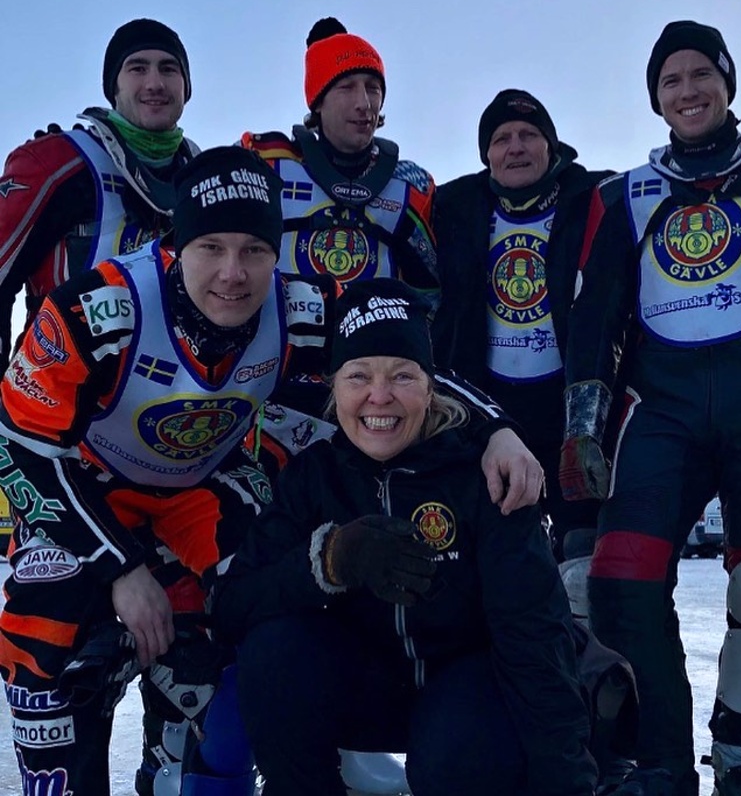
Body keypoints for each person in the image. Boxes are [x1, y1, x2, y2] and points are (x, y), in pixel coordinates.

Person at [0, 145, 333, 796]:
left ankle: (188, 765)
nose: (233, 274)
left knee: (262, 611)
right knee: (45, 634)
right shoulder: (98, 307)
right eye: (211, 247)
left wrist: (493, 432)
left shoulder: (303, 306)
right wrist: (119, 568)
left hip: (202, 489)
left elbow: (405, 355)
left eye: (254, 250)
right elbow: (18, 446)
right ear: (177, 245)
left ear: (277, 254)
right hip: (84, 488)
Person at [212, 277, 598, 796]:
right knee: (273, 652)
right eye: (358, 376)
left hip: (464, 692)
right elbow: (233, 604)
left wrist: (566, 781)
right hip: (362, 686)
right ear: (333, 386)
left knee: (457, 756)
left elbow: (534, 635)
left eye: (402, 375)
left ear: (431, 386)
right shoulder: (313, 478)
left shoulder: (483, 476)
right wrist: (329, 562)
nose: (380, 396)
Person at [559, 20, 741, 796]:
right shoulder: (626, 194)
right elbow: (595, 317)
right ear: (656, 99)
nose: (688, 91)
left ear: (728, 83)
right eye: (671, 80)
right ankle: (658, 760)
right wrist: (582, 425)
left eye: (702, 75)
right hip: (662, 411)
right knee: (620, 577)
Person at [0, 17, 199, 793]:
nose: (154, 82)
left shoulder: (206, 179)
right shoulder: (60, 163)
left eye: (168, 69)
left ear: (187, 87)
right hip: (62, 459)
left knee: (189, 663)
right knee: (54, 666)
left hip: (176, 462)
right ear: (113, 84)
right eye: (137, 67)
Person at [432, 88, 614, 621]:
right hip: (489, 405)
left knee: (581, 559)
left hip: (569, 402)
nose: (515, 147)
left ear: (551, 146)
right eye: (501, 138)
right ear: (486, 154)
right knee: (496, 542)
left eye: (529, 135)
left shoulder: (593, 195)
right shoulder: (455, 206)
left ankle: (585, 656)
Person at [241, 17, 439, 315]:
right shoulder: (265, 164)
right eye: (346, 87)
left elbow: (432, 294)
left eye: (373, 88)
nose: (364, 103)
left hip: (376, 342)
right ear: (318, 102)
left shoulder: (411, 185)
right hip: (280, 339)